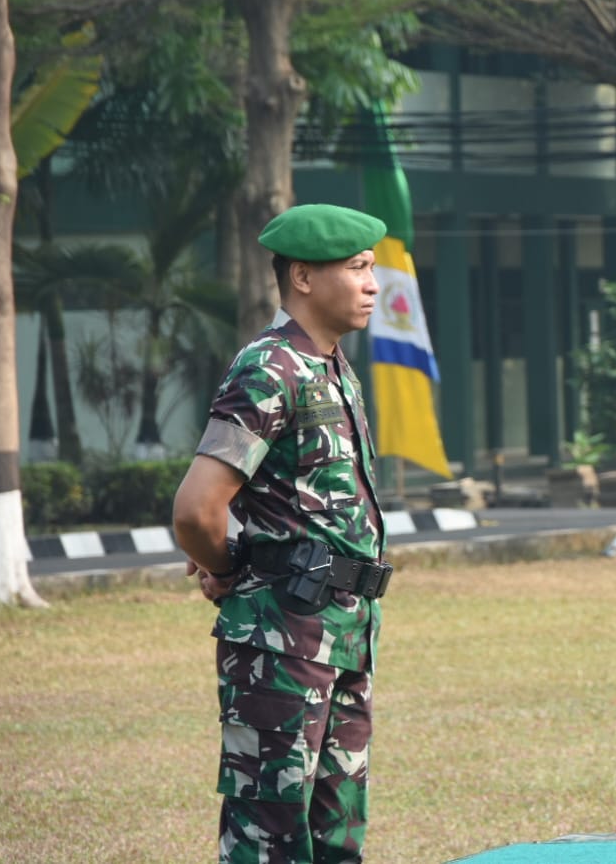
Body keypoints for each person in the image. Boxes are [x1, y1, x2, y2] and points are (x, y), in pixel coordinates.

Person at [174, 203, 393, 864]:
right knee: (271, 834)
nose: (372, 284)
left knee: (336, 833)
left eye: (370, 268)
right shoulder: (269, 369)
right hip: (281, 635)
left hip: (346, 631)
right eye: (356, 268)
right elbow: (196, 510)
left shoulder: (332, 368)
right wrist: (230, 567)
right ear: (302, 276)